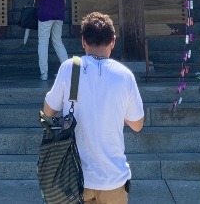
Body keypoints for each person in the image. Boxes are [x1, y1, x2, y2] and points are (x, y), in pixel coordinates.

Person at [43, 12, 144, 204]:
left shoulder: (69, 68)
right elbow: (137, 124)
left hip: (75, 178)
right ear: (113, 41)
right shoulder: (124, 75)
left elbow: (48, 111)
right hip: (114, 178)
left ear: (83, 41)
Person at [34, 0, 68, 81]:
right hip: (59, 14)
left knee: (43, 43)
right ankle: (68, 71)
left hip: (45, 14)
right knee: (58, 42)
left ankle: (44, 73)